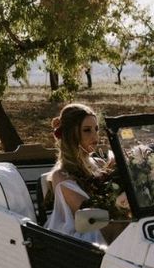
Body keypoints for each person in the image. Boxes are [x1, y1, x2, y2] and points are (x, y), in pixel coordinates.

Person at [45, 103, 113, 244]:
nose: (95, 136)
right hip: (82, 238)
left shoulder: (99, 164)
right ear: (72, 135)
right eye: (87, 130)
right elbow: (91, 218)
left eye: (96, 129)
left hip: (106, 225)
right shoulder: (61, 175)